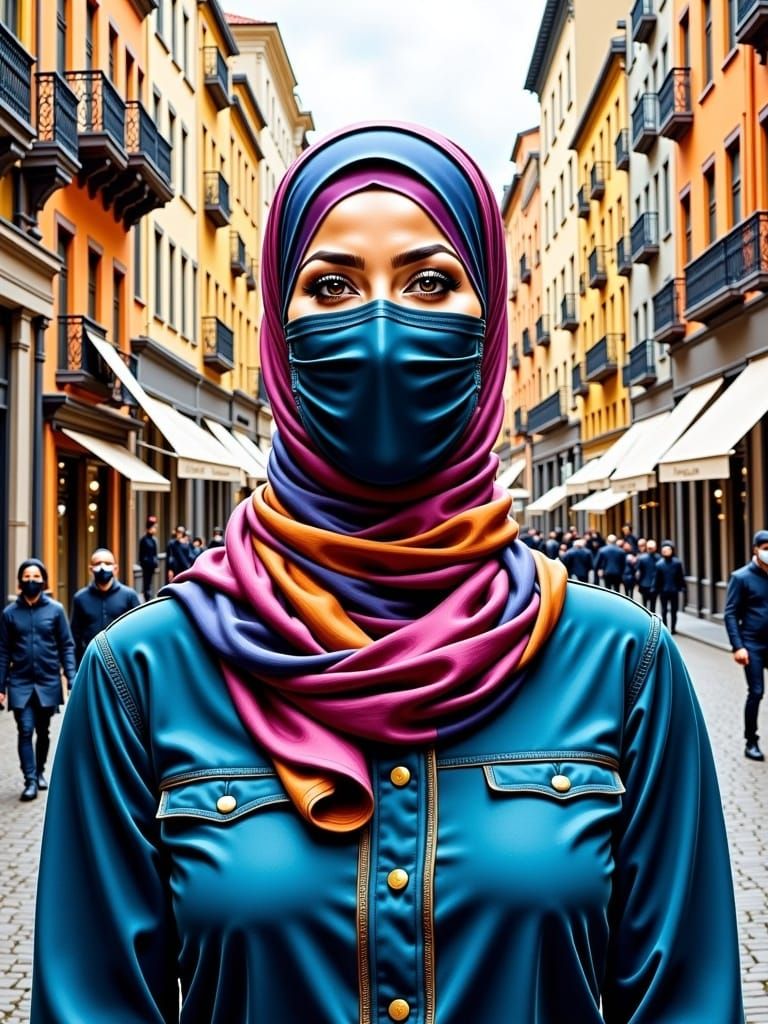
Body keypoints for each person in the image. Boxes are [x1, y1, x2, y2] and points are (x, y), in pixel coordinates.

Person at [32, 123, 743, 1022]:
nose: (377, 329)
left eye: (431, 282)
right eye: (330, 286)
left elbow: (689, 1001)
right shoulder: (140, 677)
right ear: (276, 339)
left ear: (489, 330)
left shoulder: (623, 667)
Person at [0, 559, 75, 801]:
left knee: (43, 731)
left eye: (36, 577)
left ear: (44, 580)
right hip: (20, 682)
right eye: (27, 577)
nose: (31, 581)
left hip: (48, 681)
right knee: (25, 729)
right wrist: (0, 686)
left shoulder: (55, 610)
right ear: (20, 581)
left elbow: (66, 645)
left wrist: (71, 677)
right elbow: (3, 651)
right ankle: (30, 780)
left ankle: (41, 771)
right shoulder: (9, 614)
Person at [724, 529, 768, 761]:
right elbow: (730, 614)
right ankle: (751, 741)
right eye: (766, 548)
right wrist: (738, 646)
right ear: (756, 550)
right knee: (757, 692)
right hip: (752, 644)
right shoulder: (741, 577)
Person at [70, 549, 140, 667]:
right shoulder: (80, 598)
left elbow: (138, 631)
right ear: (90, 569)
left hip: (122, 662)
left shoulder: (129, 596)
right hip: (92, 663)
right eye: (98, 564)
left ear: (116, 569)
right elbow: (75, 636)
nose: (102, 567)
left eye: (107, 563)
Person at [655, 540, 686, 634]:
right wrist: (656, 588)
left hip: (674, 590)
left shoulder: (677, 563)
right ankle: (665, 627)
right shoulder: (659, 564)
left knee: (674, 610)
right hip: (663, 591)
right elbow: (657, 578)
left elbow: (680, 576)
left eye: (668, 550)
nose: (666, 552)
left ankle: (673, 628)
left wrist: (682, 587)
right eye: (664, 550)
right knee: (664, 610)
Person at [635, 538, 660, 611]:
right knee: (653, 606)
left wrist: (638, 583)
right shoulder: (659, 558)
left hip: (644, 584)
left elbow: (638, 573)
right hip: (654, 585)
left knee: (644, 606)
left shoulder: (642, 558)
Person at [138, 515, 159, 601]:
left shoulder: (153, 540)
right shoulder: (144, 540)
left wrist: (155, 563)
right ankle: (147, 598)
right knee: (146, 583)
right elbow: (141, 554)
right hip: (146, 565)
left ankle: (148, 596)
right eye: (154, 527)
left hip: (151, 565)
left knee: (149, 583)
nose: (156, 529)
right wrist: (144, 562)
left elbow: (154, 553)